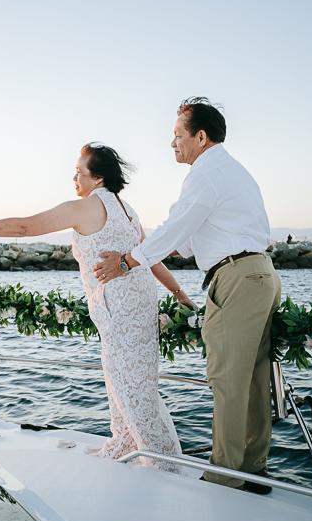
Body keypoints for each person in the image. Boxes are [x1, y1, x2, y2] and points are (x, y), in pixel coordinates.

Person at [0, 144, 194, 470]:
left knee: (135, 396)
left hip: (119, 315)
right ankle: (122, 446)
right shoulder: (127, 209)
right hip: (137, 310)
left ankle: (165, 468)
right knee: (129, 388)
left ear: (97, 177)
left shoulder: (86, 206)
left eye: (79, 171)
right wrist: (179, 292)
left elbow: (25, 227)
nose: (74, 177)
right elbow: (150, 257)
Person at [92, 98, 281, 493]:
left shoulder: (206, 172)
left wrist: (127, 260)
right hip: (258, 273)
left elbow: (178, 225)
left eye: (178, 134)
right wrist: (154, 245)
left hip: (237, 277)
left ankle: (224, 475)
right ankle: (253, 469)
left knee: (228, 379)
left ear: (200, 136)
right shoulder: (233, 171)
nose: (172, 142)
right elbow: (192, 237)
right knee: (252, 378)